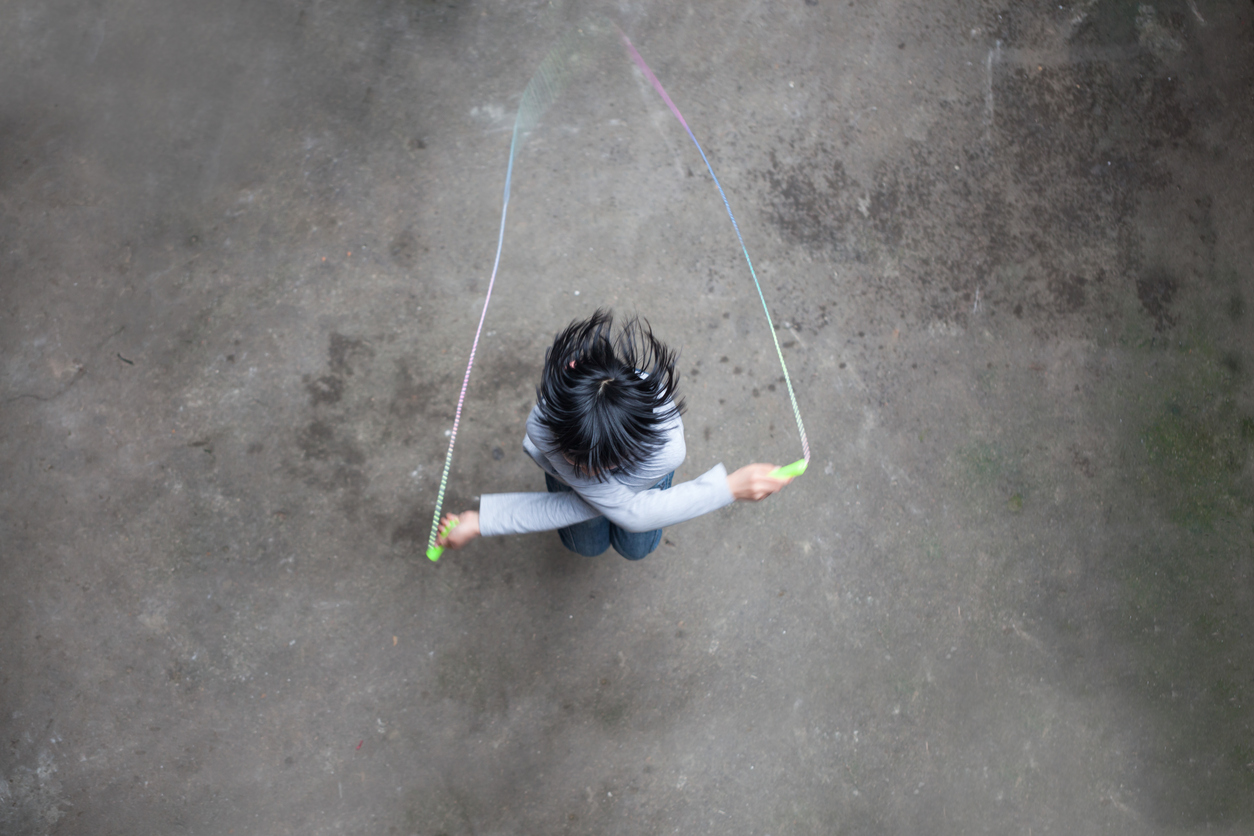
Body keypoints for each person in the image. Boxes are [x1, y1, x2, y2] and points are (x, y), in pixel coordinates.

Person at [435, 309, 793, 559]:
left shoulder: (666, 448)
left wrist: (482, 521)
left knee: (636, 547)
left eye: (603, 463)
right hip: (603, 492)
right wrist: (727, 488)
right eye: (574, 457)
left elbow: (629, 511)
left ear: (637, 445)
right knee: (585, 545)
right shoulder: (543, 426)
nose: (587, 472)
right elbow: (623, 509)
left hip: (642, 480)